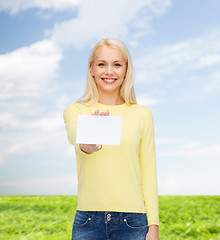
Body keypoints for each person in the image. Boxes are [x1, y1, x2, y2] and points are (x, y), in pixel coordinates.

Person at [63, 38, 159, 240]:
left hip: (134, 223)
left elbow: (148, 174)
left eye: (116, 64)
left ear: (126, 70)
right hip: (88, 222)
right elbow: (76, 138)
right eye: (101, 64)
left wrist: (153, 227)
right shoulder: (76, 110)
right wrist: (88, 143)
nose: (109, 71)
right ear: (92, 69)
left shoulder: (142, 114)